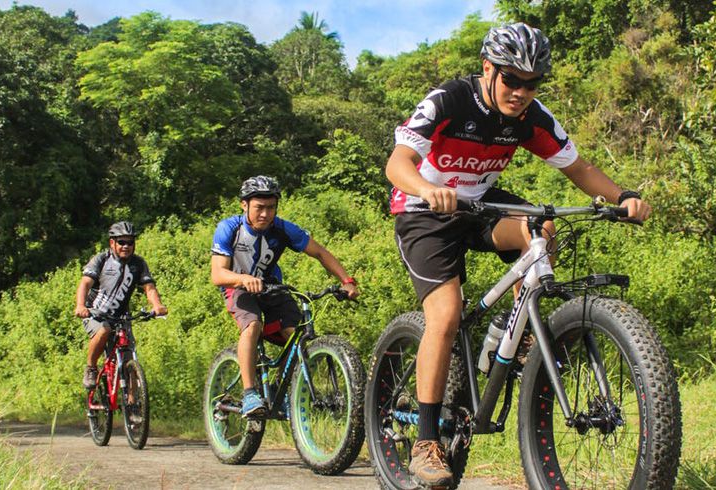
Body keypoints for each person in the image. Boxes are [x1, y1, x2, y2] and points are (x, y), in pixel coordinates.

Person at [385, 22, 652, 487]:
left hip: (481, 205)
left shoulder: (531, 117)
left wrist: (623, 196)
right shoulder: (448, 100)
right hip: (424, 210)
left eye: (533, 84)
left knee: (540, 227)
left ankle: (512, 330)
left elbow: (579, 167)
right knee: (445, 316)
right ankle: (426, 440)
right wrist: (429, 188)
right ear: (488, 69)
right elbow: (397, 163)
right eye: (512, 79)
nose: (521, 92)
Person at [210, 175, 360, 418]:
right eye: (259, 207)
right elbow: (218, 274)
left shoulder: (282, 229)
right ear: (244, 205)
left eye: (271, 208)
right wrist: (243, 279)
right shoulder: (229, 228)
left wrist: (346, 281)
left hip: (271, 287)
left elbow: (320, 252)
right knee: (253, 325)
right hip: (236, 285)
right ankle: (249, 394)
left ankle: (285, 392)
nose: (265, 214)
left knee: (295, 336)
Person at [75, 221, 168, 390]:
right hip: (96, 313)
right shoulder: (102, 259)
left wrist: (157, 305)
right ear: (112, 243)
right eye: (121, 242)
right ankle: (91, 368)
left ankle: (133, 408)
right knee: (104, 330)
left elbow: (149, 288)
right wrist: (81, 306)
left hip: (121, 316)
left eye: (130, 242)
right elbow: (85, 284)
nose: (126, 246)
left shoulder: (138, 264)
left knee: (129, 356)